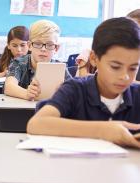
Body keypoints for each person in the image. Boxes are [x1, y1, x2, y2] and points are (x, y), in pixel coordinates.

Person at [27, 17, 140, 148]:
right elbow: (36, 124)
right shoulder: (75, 89)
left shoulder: (137, 94)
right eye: (115, 66)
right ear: (93, 58)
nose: (125, 76)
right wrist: (103, 130)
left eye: (133, 68)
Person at [4, 19, 72, 100]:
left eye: (50, 44)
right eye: (38, 44)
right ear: (29, 46)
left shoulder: (60, 68)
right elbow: (9, 87)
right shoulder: (18, 62)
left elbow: (75, 91)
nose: (43, 49)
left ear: (56, 48)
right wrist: (27, 93)